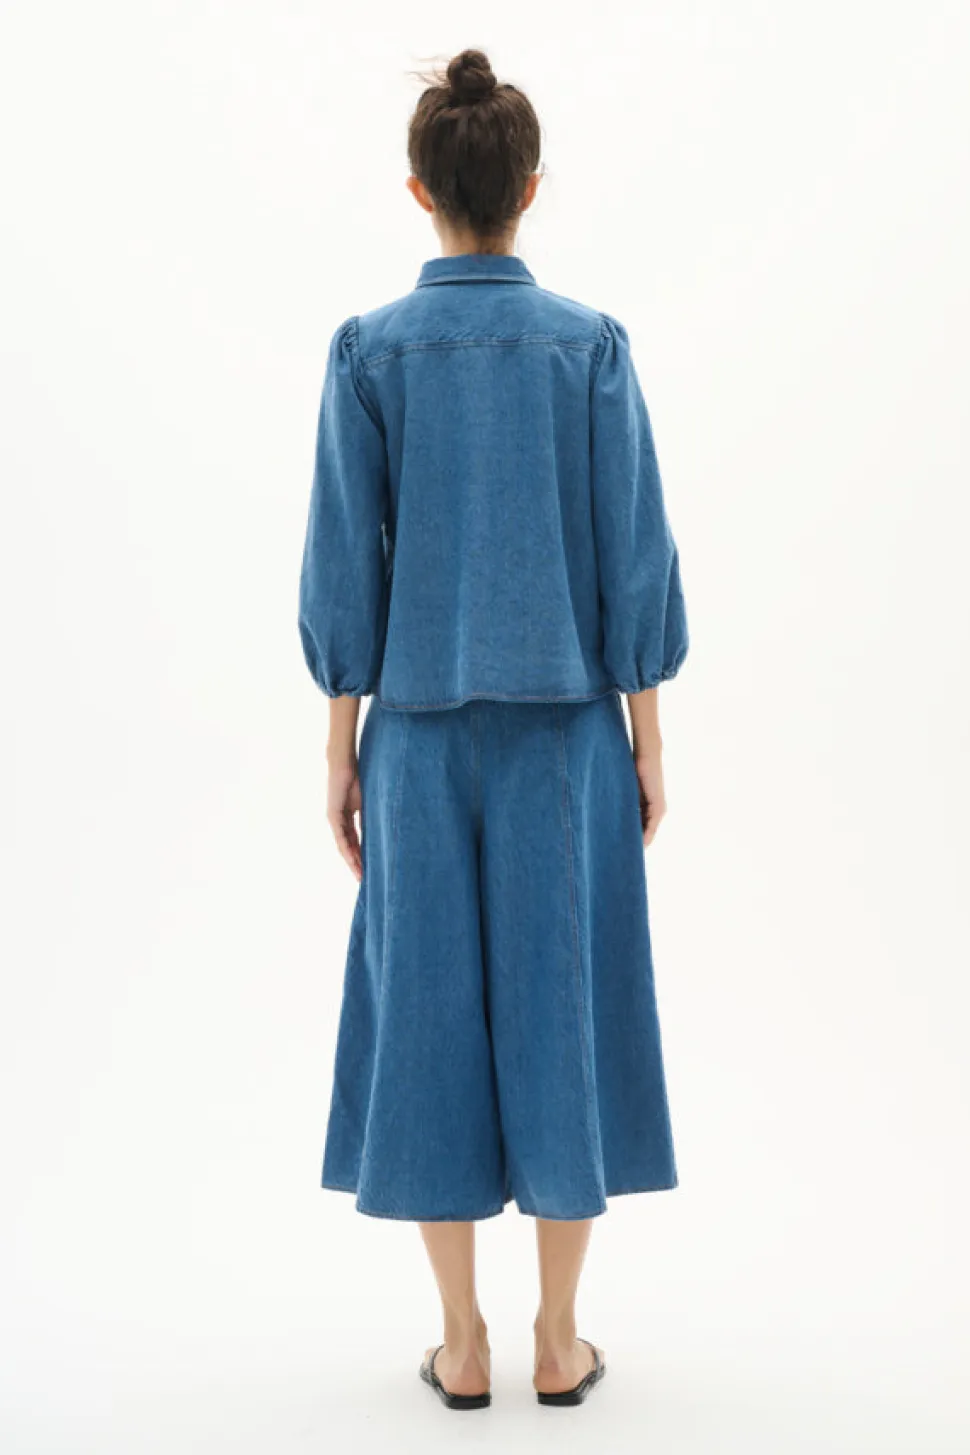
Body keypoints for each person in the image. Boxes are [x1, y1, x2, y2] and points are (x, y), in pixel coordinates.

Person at [298, 47, 689, 1410]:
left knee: (425, 1022)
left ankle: (459, 1343)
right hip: (567, 739)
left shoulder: (368, 353)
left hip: (412, 741)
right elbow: (632, 555)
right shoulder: (588, 346)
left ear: (420, 191)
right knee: (564, 1010)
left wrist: (339, 749)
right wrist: (648, 736)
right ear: (530, 187)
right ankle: (557, 1338)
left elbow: (342, 568)